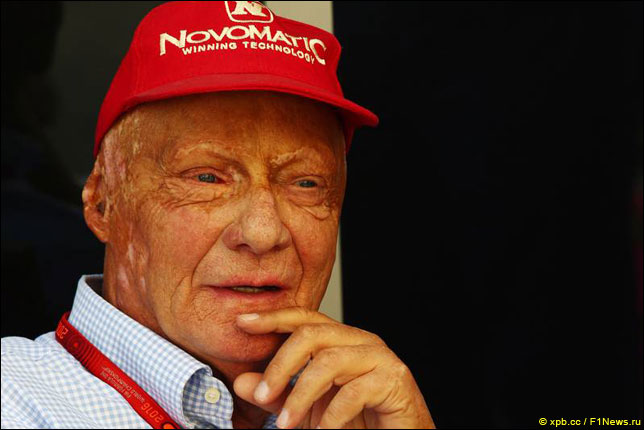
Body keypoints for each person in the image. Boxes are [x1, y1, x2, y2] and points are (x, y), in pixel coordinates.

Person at [1, 2, 435, 429]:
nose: (263, 232)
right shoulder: (14, 401)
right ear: (103, 205)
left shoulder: (356, 409)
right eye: (207, 178)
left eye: (306, 183)